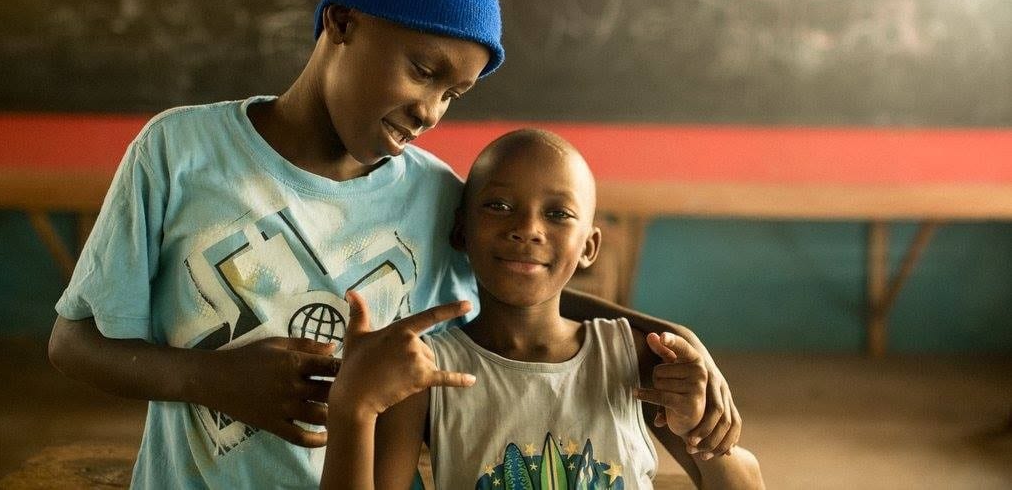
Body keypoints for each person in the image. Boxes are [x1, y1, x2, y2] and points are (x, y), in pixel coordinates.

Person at [48, 0, 740, 489]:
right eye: (424, 70)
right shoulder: (181, 150)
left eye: (454, 95)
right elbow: (72, 344)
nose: (431, 110)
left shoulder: (435, 196)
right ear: (343, 21)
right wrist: (212, 380)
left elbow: (526, 288)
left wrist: (672, 337)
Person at [322, 129, 763, 489]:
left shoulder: (634, 356)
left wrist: (699, 435)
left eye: (557, 214)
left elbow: (743, 482)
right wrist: (353, 406)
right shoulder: (428, 372)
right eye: (498, 206)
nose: (527, 229)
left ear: (589, 246)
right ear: (462, 232)